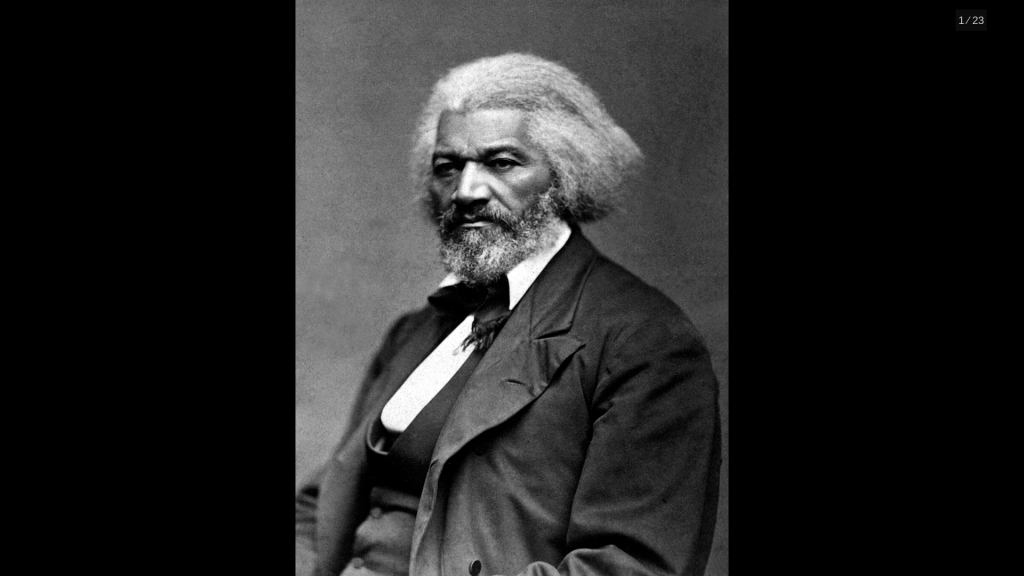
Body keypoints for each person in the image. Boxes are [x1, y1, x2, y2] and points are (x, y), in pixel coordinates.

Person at [296, 53, 721, 576]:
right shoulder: (415, 331)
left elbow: (630, 565)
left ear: (563, 175)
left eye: (501, 162)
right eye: (448, 167)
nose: (467, 191)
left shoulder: (643, 341)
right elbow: (320, 508)